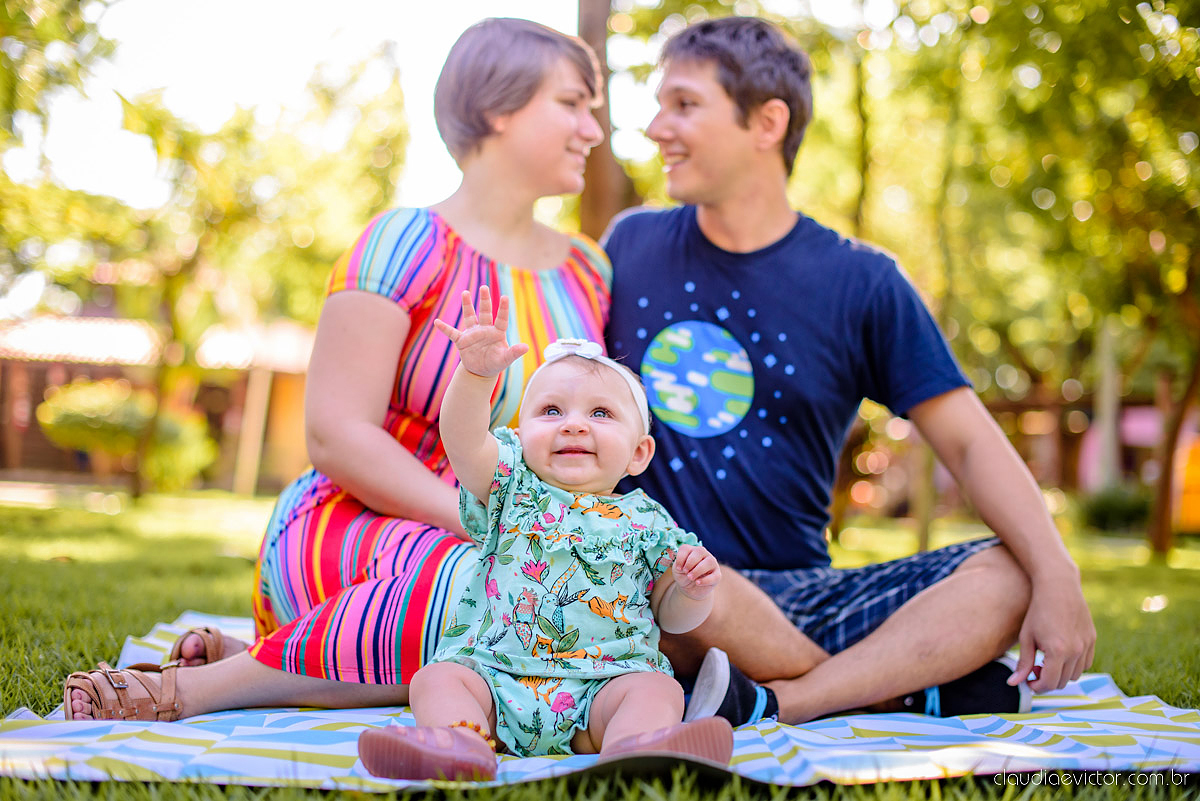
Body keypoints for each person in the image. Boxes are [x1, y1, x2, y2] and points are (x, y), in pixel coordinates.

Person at [63, 18, 616, 724]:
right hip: (356, 518)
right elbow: (334, 434)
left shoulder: (588, 271)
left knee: (581, 602)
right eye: (572, 103)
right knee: (503, 592)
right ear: (497, 109)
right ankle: (190, 692)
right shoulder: (405, 242)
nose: (592, 130)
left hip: (522, 543)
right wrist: (487, 525)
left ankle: (281, 659)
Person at [602, 16, 1096, 726]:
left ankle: (779, 698)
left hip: (804, 597)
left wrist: (1058, 572)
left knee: (1012, 569)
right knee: (652, 577)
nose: (655, 128)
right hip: (667, 589)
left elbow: (967, 440)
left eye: (683, 104)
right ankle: (894, 687)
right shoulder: (630, 245)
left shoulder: (862, 282)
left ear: (767, 122)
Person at [356, 290, 733, 780]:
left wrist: (691, 590)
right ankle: (461, 742)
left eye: (600, 414)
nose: (574, 425)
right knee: (437, 677)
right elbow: (464, 440)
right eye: (551, 411)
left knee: (656, 689)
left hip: (603, 685)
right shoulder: (510, 482)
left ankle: (633, 751)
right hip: (494, 677)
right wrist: (476, 376)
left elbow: (674, 619)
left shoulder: (652, 523)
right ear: (521, 431)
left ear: (638, 454)